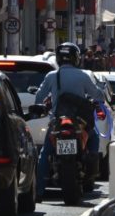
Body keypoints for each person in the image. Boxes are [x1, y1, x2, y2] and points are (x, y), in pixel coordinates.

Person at [33, 43, 107, 197]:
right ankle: (91, 174)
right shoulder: (83, 75)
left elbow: (39, 97)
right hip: (78, 121)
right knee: (93, 139)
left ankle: (38, 191)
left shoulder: (52, 76)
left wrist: (44, 105)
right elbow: (98, 96)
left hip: (57, 121)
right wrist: (100, 92)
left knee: (45, 153)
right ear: (76, 58)